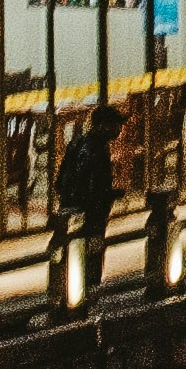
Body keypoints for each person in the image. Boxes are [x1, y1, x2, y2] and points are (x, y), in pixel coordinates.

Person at [53, 104, 119, 295]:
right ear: (102, 125)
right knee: (92, 255)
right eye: (114, 125)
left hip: (77, 212)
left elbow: (61, 180)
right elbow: (89, 183)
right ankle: (88, 294)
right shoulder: (96, 148)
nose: (118, 130)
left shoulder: (76, 143)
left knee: (76, 255)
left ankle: (76, 293)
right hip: (92, 213)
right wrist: (105, 196)